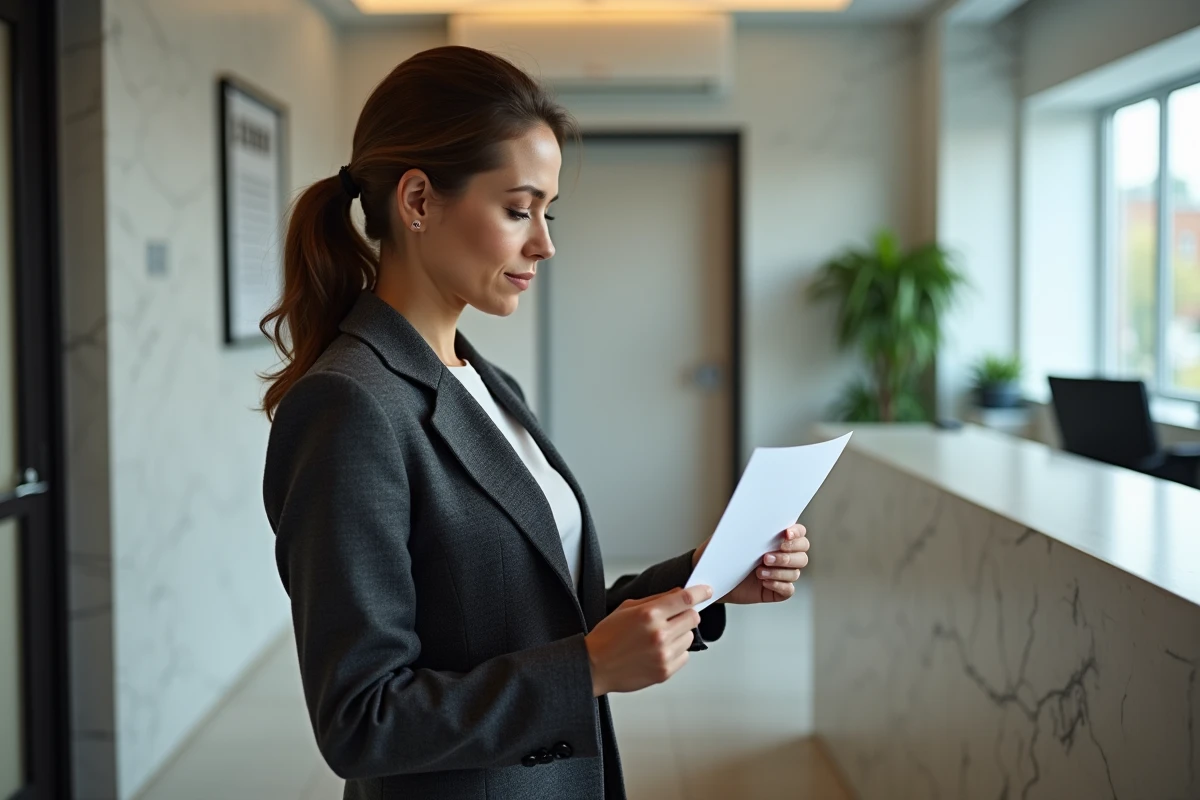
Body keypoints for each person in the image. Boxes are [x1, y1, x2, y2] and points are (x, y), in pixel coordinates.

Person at [260, 45, 810, 800]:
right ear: (418, 201)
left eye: (547, 213)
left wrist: (704, 578)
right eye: (519, 210)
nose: (544, 243)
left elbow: (544, 618)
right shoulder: (350, 406)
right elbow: (362, 719)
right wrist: (586, 672)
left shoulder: (489, 382)